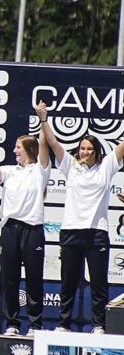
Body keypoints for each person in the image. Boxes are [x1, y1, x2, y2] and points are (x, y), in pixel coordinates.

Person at [39, 104, 124, 334]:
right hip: (71, 231)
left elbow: (122, 147)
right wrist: (43, 119)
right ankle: (63, 324)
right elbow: (54, 144)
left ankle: (99, 325)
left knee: (98, 283)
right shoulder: (71, 165)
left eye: (88, 149)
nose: (84, 152)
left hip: (97, 232)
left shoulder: (106, 167)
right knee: (68, 283)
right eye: (82, 148)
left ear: (96, 151)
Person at [0, 109, 50, 336]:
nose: (14, 150)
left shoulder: (40, 170)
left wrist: (42, 119)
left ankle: (35, 325)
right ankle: (13, 324)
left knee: (34, 279)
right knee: (10, 279)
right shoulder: (9, 171)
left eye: (18, 147)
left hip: (32, 230)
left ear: (28, 150)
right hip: (9, 229)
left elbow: (45, 145)